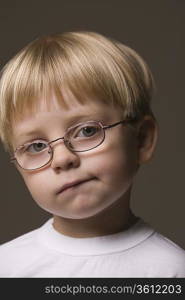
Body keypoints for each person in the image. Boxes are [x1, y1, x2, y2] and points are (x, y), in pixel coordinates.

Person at [0, 31, 184, 278]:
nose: (63, 159)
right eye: (36, 146)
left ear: (142, 140)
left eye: (86, 131)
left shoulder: (169, 271)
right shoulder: (8, 268)